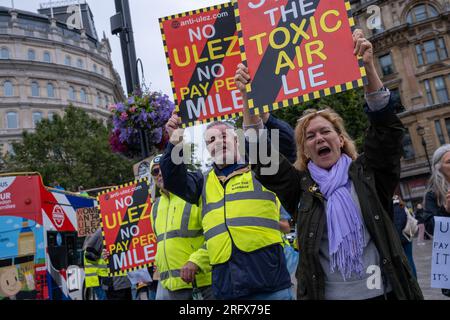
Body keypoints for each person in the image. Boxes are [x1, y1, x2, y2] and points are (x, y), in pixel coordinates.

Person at [238, 28, 423, 300]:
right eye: (309, 136)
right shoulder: (299, 188)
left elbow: (386, 132)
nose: (318, 138)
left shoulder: (368, 175)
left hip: (382, 294)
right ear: (305, 151)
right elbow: (260, 156)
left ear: (340, 138)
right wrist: (248, 98)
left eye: (325, 131)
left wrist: (369, 67)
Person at [161, 113, 297, 300]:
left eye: (224, 136)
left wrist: (266, 118)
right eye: (210, 140)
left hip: (270, 283)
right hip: (228, 289)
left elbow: (289, 147)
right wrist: (175, 142)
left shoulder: (262, 169)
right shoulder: (203, 183)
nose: (217, 142)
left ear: (238, 139)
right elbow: (172, 179)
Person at [149, 154, 214, 300]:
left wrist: (196, 261)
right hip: (171, 287)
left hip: (203, 285)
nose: (160, 173)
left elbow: (215, 236)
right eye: (155, 171)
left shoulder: (195, 194)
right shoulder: (155, 207)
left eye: (164, 168)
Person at [423, 144, 450, 298]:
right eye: (449, 162)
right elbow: (430, 227)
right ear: (438, 167)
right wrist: (446, 210)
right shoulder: (433, 194)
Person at [85, 228, 133, 300]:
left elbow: (90, 255)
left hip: (123, 282)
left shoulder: (104, 229)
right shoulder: (104, 230)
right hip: (118, 282)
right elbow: (89, 255)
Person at [392, 195, 417, 278]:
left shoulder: (394, 208)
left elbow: (398, 224)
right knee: (410, 258)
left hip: (401, 237)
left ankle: (411, 279)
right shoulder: (403, 206)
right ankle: (414, 278)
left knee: (406, 259)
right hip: (407, 235)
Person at [83, 234, 107, 300]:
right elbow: (98, 262)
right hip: (97, 278)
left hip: (94, 279)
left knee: (101, 297)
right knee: (103, 297)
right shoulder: (92, 251)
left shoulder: (86, 251)